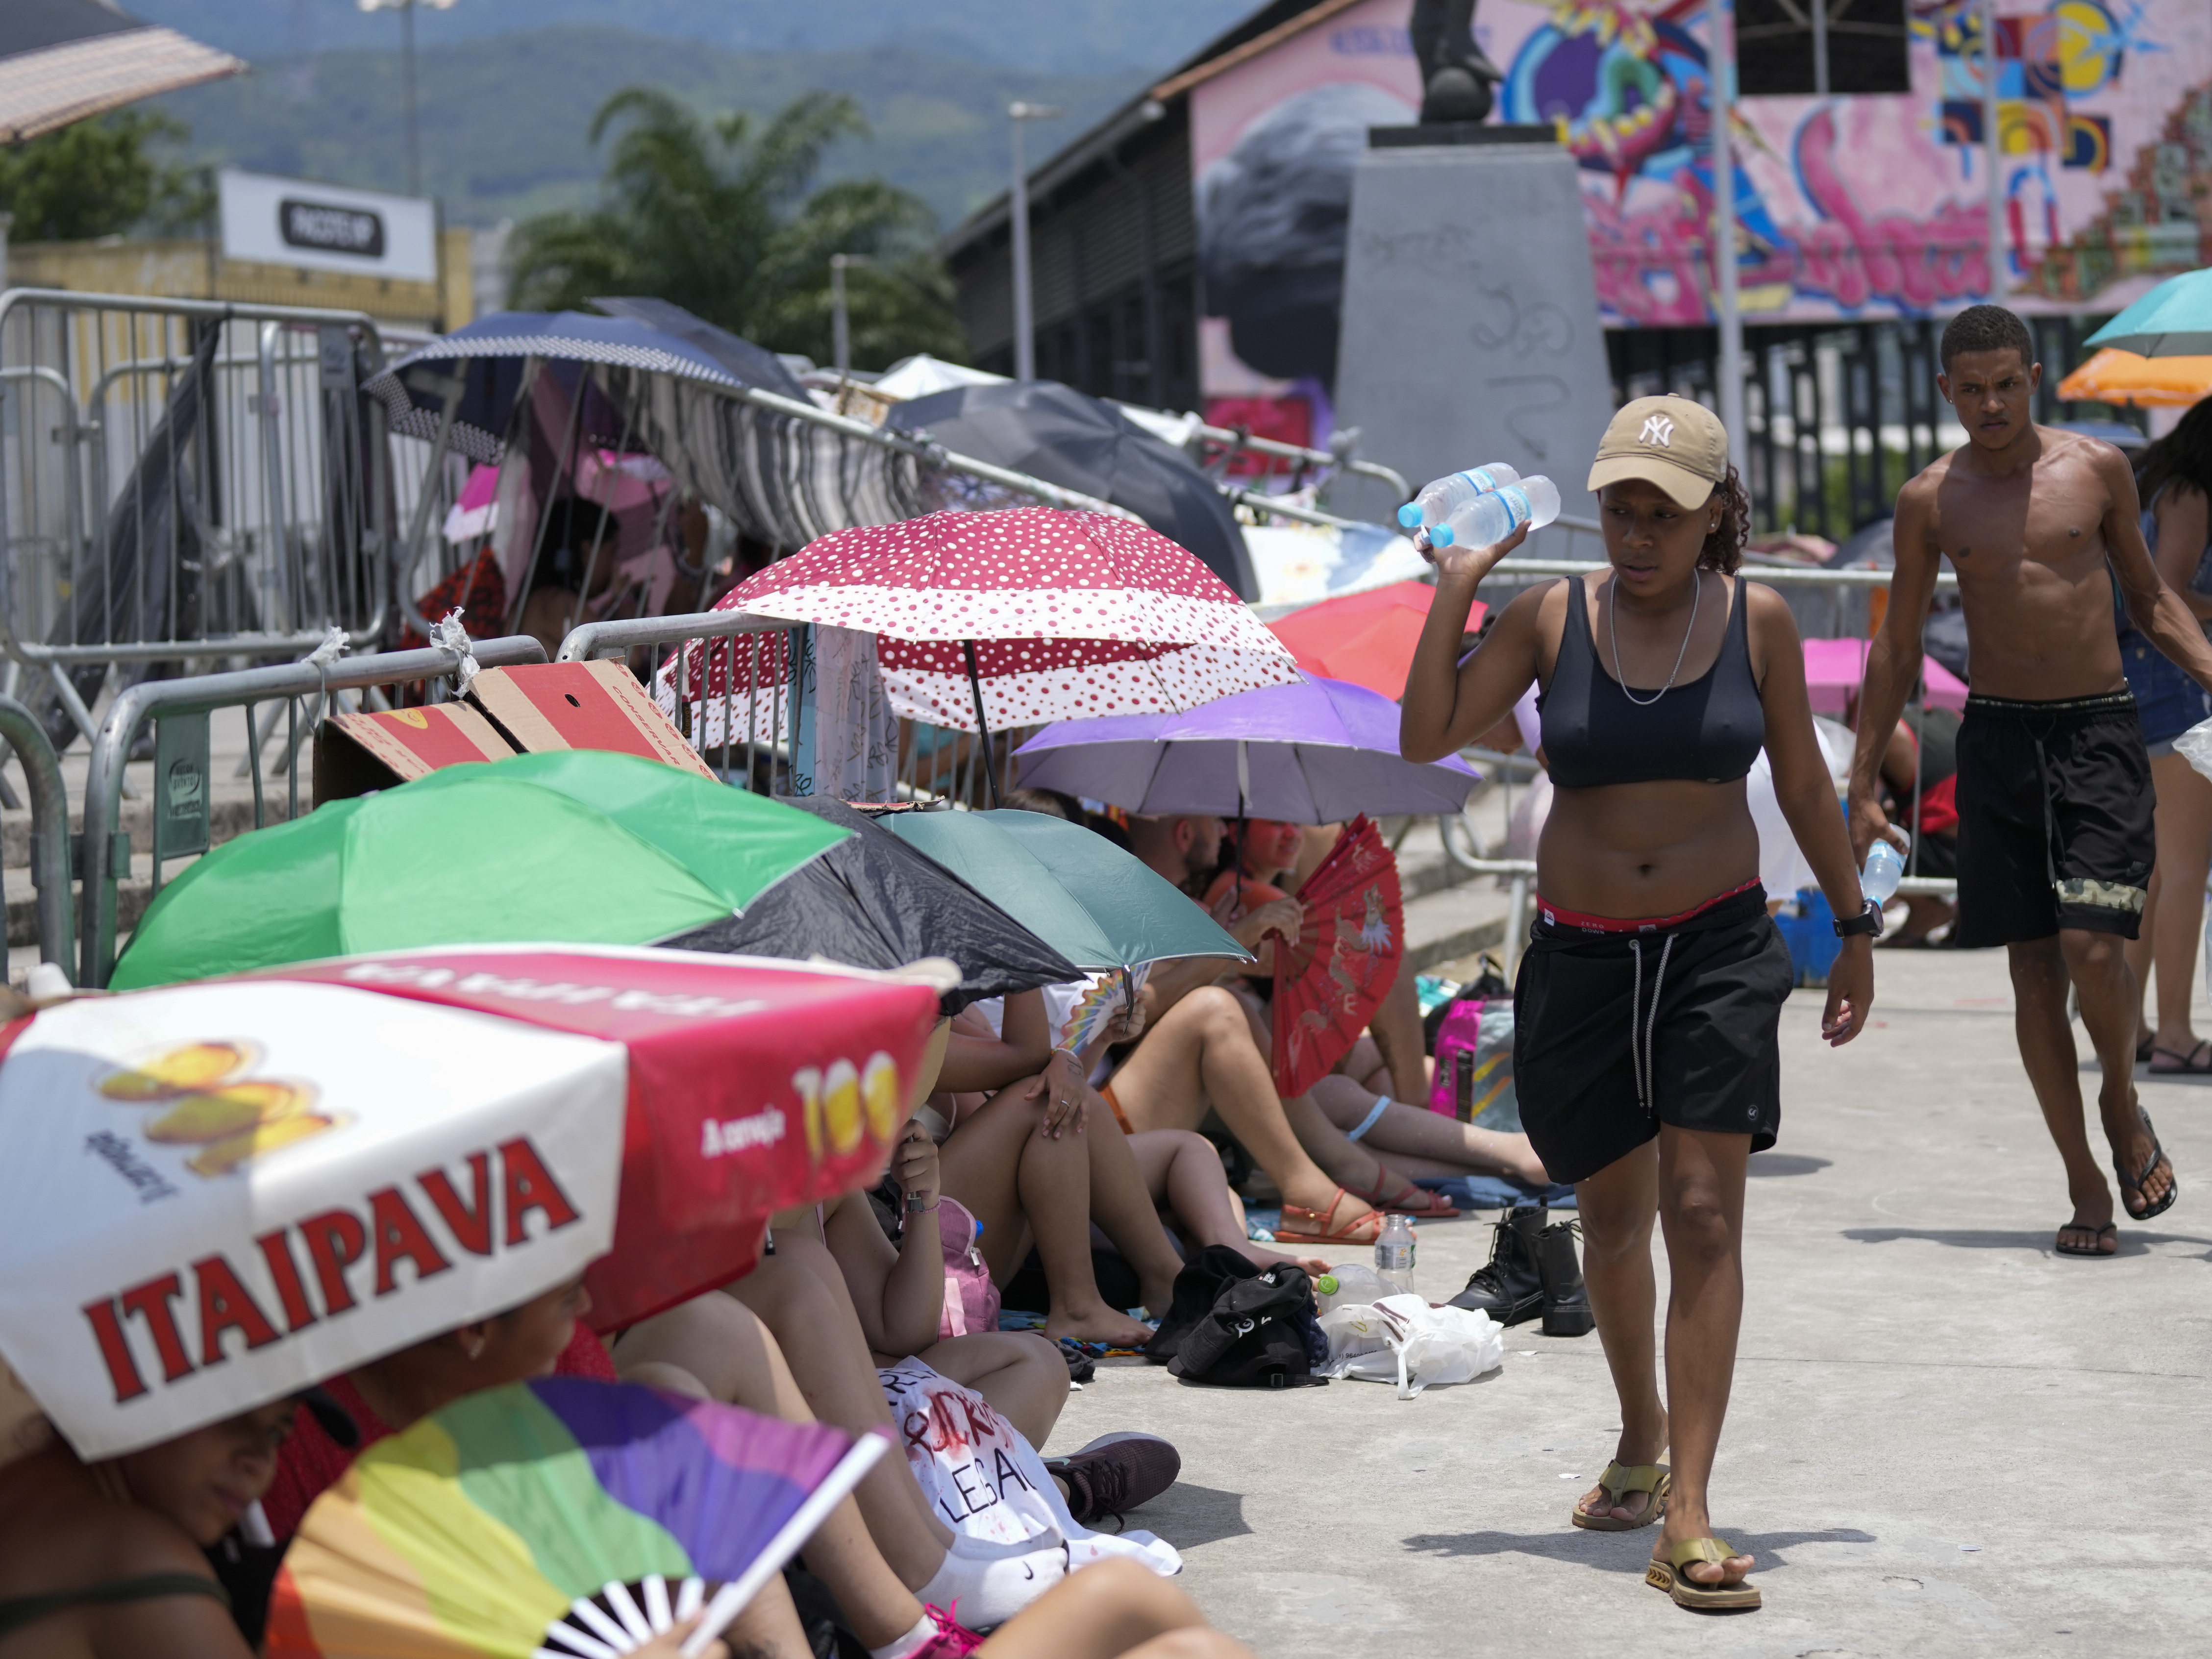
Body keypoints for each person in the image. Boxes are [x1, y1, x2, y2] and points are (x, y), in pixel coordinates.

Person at [1401, 393, 1874, 1612]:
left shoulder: (1756, 620)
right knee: (1610, 1222)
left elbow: (1808, 792)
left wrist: (1855, 922)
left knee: (1704, 1216)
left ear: (1717, 513)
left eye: (1662, 510)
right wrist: (1458, 581)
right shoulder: (1550, 617)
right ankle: (1638, 1431)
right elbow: (1422, 738)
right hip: (1583, 955)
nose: (1636, 531)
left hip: (1717, 948)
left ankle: (1689, 1513)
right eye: (1618, 505)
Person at [1847, 304, 2195, 1256]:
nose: (1991, 403)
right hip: (1999, 739)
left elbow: (2151, 598)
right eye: (1972, 388)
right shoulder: (1930, 500)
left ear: (2033, 379)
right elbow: (1898, 645)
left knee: (2092, 946)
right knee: (2032, 970)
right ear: (1945, 392)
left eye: (2006, 383)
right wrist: (1861, 781)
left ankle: (2121, 1099)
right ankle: (2084, 1178)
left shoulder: (2097, 470)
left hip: (2096, 731)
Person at [0, 1395, 725, 1659]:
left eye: (278, 1430)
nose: (258, 1459)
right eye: (230, 1419)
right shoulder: (139, 1563)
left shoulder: (30, 1484)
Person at [2116, 398, 2212, 1071]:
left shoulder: (2159, 485)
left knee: (2154, 872)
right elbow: (2169, 591)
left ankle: (2136, 1025)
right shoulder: (2190, 495)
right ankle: (2176, 1033)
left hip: (2143, 686)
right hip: (2173, 687)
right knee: (2183, 869)